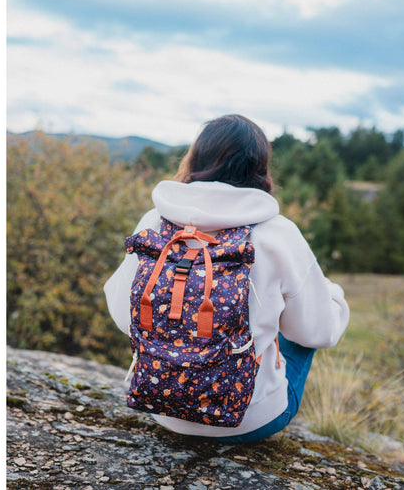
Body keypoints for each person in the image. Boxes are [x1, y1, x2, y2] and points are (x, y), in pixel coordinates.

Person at [104, 114, 350, 442]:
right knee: (301, 321)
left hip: (159, 406)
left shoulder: (154, 222)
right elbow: (319, 332)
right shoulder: (277, 233)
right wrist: (332, 295)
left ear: (196, 158)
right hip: (248, 422)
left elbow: (125, 318)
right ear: (259, 168)